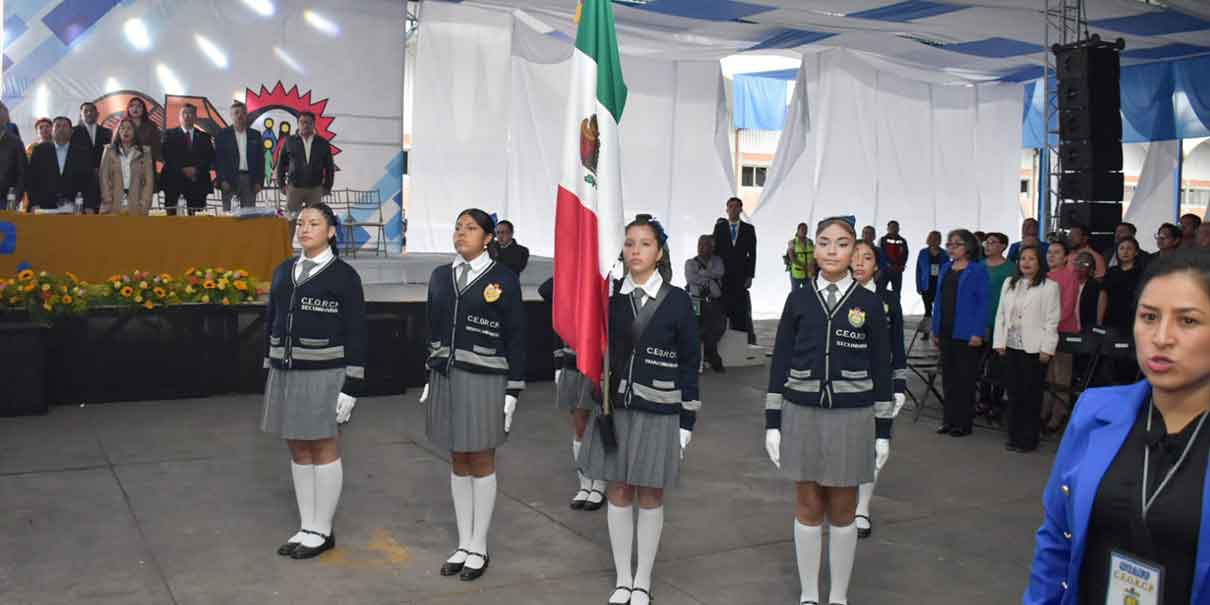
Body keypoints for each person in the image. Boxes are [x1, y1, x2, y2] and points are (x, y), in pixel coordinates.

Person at [1025, 248, 1210, 605]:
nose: (1161, 337)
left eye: (1187, 321)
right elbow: (1055, 540)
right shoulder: (1095, 412)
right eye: (1149, 317)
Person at [765, 216, 891, 605]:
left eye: (841, 243)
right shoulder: (799, 298)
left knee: (843, 507)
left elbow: (882, 368)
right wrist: (774, 422)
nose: (832, 250)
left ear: (855, 251)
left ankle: (837, 596)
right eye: (824, 242)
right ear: (813, 249)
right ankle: (808, 594)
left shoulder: (870, 303)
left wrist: (883, 429)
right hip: (801, 412)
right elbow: (781, 359)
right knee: (807, 504)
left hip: (853, 417)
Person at [578, 215, 700, 605]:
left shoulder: (678, 300)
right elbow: (557, 295)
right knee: (617, 490)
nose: (635, 250)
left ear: (659, 252)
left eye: (645, 243)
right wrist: (596, 274)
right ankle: (623, 577)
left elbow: (689, 363)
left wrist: (687, 422)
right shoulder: (609, 298)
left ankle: (643, 579)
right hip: (617, 409)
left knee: (650, 494)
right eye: (629, 243)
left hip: (660, 411)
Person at [421, 209, 526, 582]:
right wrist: (432, 375)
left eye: (471, 228)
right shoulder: (440, 276)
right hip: (447, 378)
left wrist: (513, 388)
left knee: (481, 458)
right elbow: (432, 327)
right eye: (458, 227)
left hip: (486, 380)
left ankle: (479, 546)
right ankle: (463, 543)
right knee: (457, 458)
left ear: (488, 239)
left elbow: (516, 335)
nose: (461, 233)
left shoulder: (502, 279)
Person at [261, 203, 366, 560]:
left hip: (325, 372)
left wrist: (351, 385)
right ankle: (306, 525)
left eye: (314, 223)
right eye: (301, 223)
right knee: (297, 448)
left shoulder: (344, 276)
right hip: (286, 372)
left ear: (331, 231)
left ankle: (322, 529)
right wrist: (270, 363)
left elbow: (357, 332)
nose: (304, 229)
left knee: (323, 447)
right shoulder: (283, 270)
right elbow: (272, 320)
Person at [849, 240, 907, 540]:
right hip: (844, 385)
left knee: (874, 447)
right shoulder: (837, 296)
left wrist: (899, 384)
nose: (859, 263)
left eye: (867, 257)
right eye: (855, 256)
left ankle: (862, 508)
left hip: (878, 384)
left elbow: (897, 344)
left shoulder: (887, 299)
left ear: (877, 265)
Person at [538, 277, 607, 512]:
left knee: (598, 424)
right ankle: (585, 482)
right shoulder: (570, 285)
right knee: (579, 426)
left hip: (597, 364)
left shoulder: (604, 280)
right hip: (571, 362)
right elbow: (546, 290)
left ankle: (599, 482)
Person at [993, 245, 1060, 453]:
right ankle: (1014, 436)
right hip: (1011, 345)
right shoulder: (1010, 283)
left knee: (1031, 396)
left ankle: (1028, 440)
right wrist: (999, 342)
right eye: (1023, 258)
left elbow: (1052, 320)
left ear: (1040, 263)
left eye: (1032, 259)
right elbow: (1001, 315)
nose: (1026, 262)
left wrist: (1047, 348)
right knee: (1014, 394)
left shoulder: (1050, 286)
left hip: (1035, 349)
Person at [931, 229, 990, 437]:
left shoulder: (978, 270)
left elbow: (983, 304)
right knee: (948, 379)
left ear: (968, 247)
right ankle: (948, 420)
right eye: (949, 244)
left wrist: (978, 332)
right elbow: (938, 300)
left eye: (957, 244)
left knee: (964, 380)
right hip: (946, 330)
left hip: (966, 333)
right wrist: (935, 328)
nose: (951, 248)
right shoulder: (946, 268)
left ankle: (963, 423)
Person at [277, 111, 336, 237]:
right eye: (302, 122)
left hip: (315, 188)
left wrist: (327, 186)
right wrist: (281, 184)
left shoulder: (323, 143)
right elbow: (281, 165)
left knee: (314, 221)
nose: (305, 125)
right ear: (298, 124)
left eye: (308, 122)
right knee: (290, 220)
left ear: (314, 124)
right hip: (294, 188)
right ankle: (287, 249)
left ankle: (312, 248)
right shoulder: (289, 141)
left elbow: (329, 167)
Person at [1042, 240, 1080, 433]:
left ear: (1066, 257)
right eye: (1049, 252)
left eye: (1057, 253)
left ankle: (1058, 414)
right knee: (1047, 374)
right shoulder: (1044, 275)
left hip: (1063, 331)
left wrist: (1050, 325)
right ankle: (1044, 411)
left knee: (1061, 376)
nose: (1051, 256)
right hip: (1044, 332)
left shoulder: (1069, 277)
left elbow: (1067, 306)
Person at [979, 232, 1014, 419]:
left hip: (1000, 322)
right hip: (981, 321)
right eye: (987, 242)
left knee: (998, 364)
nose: (988, 245)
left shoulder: (1010, 269)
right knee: (981, 363)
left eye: (992, 243)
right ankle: (983, 399)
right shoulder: (979, 266)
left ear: (1002, 246)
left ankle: (997, 400)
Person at [712, 197, 757, 341]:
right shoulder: (719, 228)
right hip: (723, 276)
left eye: (736, 207)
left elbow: (753, 254)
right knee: (722, 309)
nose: (733, 209)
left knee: (740, 311)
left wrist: (750, 275)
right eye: (730, 207)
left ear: (740, 209)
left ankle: (741, 342)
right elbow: (714, 251)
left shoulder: (749, 229)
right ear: (726, 210)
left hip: (740, 276)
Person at [160, 104, 214, 216]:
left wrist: (195, 169)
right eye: (184, 113)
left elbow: (209, 158)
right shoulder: (169, 134)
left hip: (197, 181)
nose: (187, 115)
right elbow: (166, 156)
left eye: (190, 113)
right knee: (172, 216)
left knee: (196, 218)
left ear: (195, 117)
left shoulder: (205, 137)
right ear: (179, 117)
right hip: (173, 180)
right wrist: (183, 169)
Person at [26, 117, 88, 212]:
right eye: (58, 126)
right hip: (44, 207)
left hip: (75, 207)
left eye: (65, 126)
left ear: (71, 131)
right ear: (52, 131)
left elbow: (89, 181)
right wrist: (34, 203)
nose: (61, 129)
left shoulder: (82, 153)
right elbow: (31, 179)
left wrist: (88, 206)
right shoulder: (39, 150)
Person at [685, 233, 726, 373]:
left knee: (719, 327)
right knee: (696, 330)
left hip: (714, 301)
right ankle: (702, 361)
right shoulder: (690, 262)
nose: (701, 248)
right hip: (696, 301)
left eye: (705, 245)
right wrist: (708, 277)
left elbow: (720, 272)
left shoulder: (718, 260)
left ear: (712, 247)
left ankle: (709, 354)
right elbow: (691, 278)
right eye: (700, 245)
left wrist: (702, 273)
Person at [214, 101, 264, 212]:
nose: (240, 115)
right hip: (229, 180)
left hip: (250, 180)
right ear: (231, 116)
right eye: (236, 113)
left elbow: (261, 160)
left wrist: (259, 181)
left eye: (243, 113)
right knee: (229, 216)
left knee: (249, 216)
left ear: (246, 115)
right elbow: (218, 160)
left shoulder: (255, 135)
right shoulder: (222, 135)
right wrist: (222, 180)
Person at [99, 118, 155, 215]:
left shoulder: (145, 152)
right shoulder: (109, 150)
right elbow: (103, 176)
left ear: (135, 131)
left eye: (129, 128)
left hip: (137, 204)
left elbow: (149, 181)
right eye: (122, 128)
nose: (125, 131)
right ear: (118, 131)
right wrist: (107, 199)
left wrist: (145, 203)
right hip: (112, 204)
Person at [70, 102, 112, 214]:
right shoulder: (72, 132)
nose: (89, 113)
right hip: (80, 177)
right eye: (85, 111)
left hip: (102, 177)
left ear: (97, 114)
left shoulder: (107, 132)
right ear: (81, 114)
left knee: (100, 211)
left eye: (91, 110)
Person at [1099, 236, 1144, 336]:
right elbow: (1103, 296)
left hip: (1132, 318)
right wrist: (1099, 320)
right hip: (1110, 317)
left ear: (1136, 252)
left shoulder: (1142, 273)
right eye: (1122, 248)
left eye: (1129, 248)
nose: (1125, 252)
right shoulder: (1111, 271)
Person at [124, 97, 162, 169]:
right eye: (132, 106)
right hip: (126, 165)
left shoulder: (151, 125)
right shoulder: (122, 124)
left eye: (139, 106)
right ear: (128, 109)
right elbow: (115, 145)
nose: (135, 108)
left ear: (143, 109)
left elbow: (156, 148)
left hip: (146, 165)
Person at [0, 113, 26, 211]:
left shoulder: (15, 142)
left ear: (6, 120)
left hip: (5, 201)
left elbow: (22, 173)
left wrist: (16, 197)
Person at [916, 230, 945, 317]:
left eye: (936, 238)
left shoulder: (944, 253)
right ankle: (927, 327)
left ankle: (937, 327)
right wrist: (918, 285)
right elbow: (918, 270)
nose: (934, 240)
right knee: (927, 310)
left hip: (939, 283)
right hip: (926, 283)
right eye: (932, 238)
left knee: (939, 308)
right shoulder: (923, 252)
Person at [879, 220, 909, 299]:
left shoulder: (902, 241)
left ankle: (896, 310)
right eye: (892, 227)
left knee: (896, 292)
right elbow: (881, 253)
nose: (894, 229)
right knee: (881, 291)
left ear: (898, 229)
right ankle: (880, 309)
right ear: (888, 228)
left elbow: (905, 254)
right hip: (885, 271)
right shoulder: (883, 240)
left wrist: (901, 265)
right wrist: (888, 265)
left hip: (897, 271)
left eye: (895, 227)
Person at [1073, 251, 1103, 332]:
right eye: (1077, 262)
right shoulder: (1068, 284)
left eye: (1085, 264)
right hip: (1068, 330)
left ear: (1091, 270)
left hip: (1087, 332)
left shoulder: (1095, 287)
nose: (1079, 266)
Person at [785, 222, 814, 290]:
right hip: (796, 274)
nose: (804, 231)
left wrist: (812, 265)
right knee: (795, 294)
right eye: (802, 230)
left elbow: (814, 255)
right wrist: (804, 266)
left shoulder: (810, 242)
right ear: (798, 230)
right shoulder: (792, 242)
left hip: (808, 274)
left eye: (805, 230)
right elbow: (792, 258)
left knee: (808, 293)